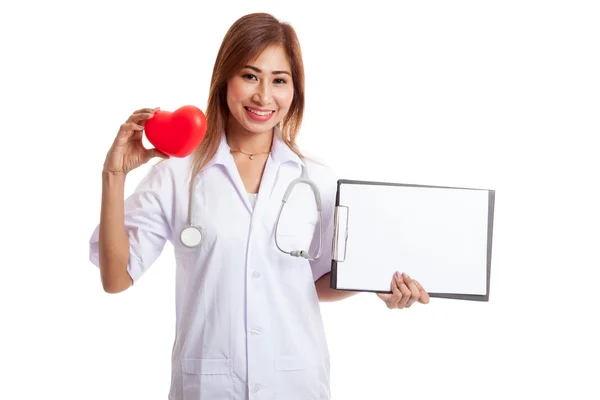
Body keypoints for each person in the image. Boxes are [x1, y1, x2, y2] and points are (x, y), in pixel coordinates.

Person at [88, 12, 430, 400]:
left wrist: (377, 284)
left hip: (295, 381)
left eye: (279, 80)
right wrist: (113, 174)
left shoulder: (315, 178)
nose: (264, 96)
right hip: (209, 385)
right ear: (224, 81)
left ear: (294, 91)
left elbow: (316, 282)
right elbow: (116, 279)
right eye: (250, 76)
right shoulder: (177, 175)